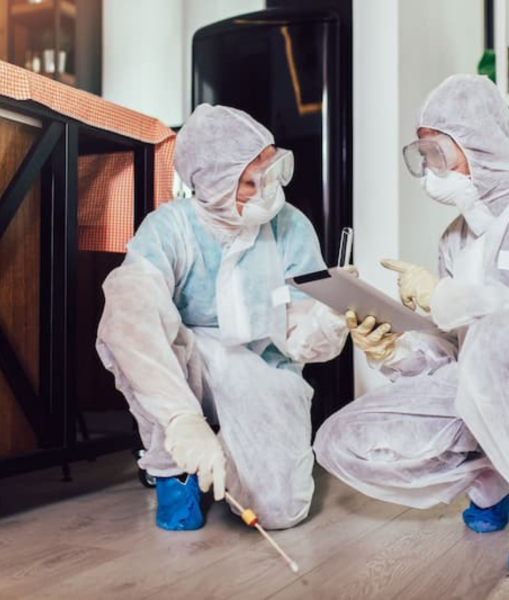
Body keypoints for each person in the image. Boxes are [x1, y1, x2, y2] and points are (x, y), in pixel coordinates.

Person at [314, 74, 509, 588]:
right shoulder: (454, 239)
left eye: (437, 152)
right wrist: (394, 349)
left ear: (479, 144)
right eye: (421, 155)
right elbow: (454, 354)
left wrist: (447, 299)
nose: (428, 170)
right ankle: (493, 473)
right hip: (483, 394)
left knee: (499, 335)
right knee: (340, 440)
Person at [97, 104, 348, 532]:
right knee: (142, 316)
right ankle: (173, 470)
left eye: (272, 171)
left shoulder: (290, 226)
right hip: (186, 369)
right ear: (212, 184)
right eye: (253, 180)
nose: (269, 189)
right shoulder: (170, 228)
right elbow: (131, 318)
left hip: (262, 367)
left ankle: (229, 455)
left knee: (279, 510)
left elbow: (299, 327)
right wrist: (182, 418)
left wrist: (329, 320)